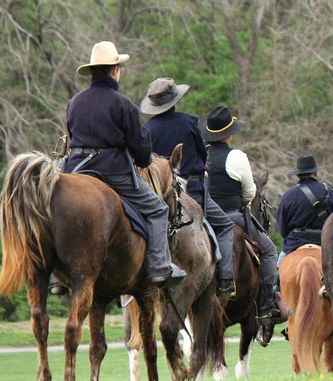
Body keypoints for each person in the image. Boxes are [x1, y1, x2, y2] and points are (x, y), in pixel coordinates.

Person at [60, 41, 185, 291]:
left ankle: (56, 279)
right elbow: (141, 154)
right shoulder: (124, 104)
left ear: (93, 71)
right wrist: (143, 159)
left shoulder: (73, 102)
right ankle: (160, 267)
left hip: (75, 171)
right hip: (112, 171)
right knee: (158, 209)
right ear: (115, 70)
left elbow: (71, 135)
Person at [141, 78, 235, 297]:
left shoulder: (146, 130)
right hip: (192, 190)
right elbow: (203, 154)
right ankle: (225, 279)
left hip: (158, 195)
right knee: (225, 226)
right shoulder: (189, 122)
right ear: (174, 100)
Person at [201, 106, 285, 325]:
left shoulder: (202, 155)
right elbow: (250, 191)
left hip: (205, 218)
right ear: (229, 134)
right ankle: (266, 307)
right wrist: (244, 203)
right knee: (268, 250)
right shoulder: (236, 156)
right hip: (233, 217)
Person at [276, 155, 333, 264]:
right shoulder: (328, 191)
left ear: (298, 175)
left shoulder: (288, 195)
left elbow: (283, 230)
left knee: (277, 273)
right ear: (315, 173)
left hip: (294, 243)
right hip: (324, 242)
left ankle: (275, 281)